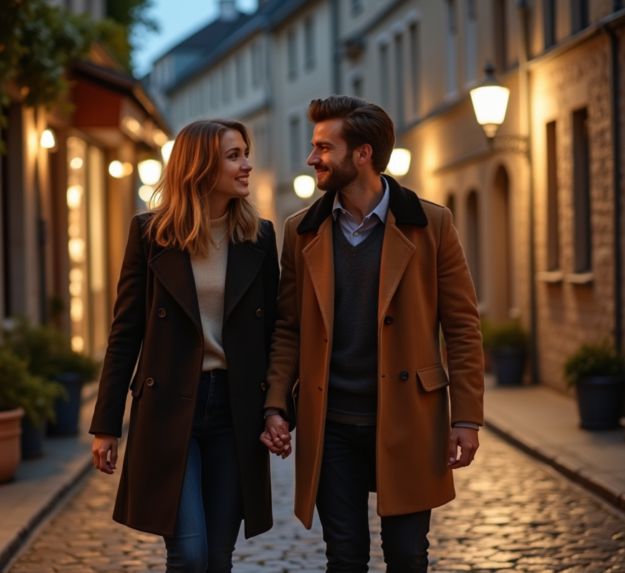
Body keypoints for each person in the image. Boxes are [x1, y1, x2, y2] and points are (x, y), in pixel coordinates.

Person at [260, 95, 485, 572]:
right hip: (332, 424)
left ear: (362, 154)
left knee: (407, 556)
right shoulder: (300, 231)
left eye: (324, 147)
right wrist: (277, 403)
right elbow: (288, 328)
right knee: (345, 558)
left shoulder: (433, 224)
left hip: (409, 417)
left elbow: (463, 328)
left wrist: (466, 417)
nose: (311, 158)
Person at [90, 119, 280, 573]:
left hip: (235, 409)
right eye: (234, 156)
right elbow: (125, 333)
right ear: (200, 166)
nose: (247, 165)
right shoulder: (150, 235)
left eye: (245, 153)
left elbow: (276, 333)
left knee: (217, 558)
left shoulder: (260, 236)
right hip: (169, 406)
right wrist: (106, 424)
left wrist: (278, 408)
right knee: (190, 554)